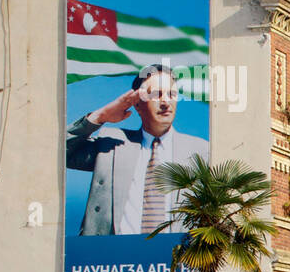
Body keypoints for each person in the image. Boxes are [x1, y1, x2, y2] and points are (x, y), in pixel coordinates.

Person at [66, 64, 209, 236]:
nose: (165, 102)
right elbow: (58, 154)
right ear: (138, 105)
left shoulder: (200, 150)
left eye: (171, 94)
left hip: (176, 256)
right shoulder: (113, 145)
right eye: (156, 94)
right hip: (112, 256)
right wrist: (100, 117)